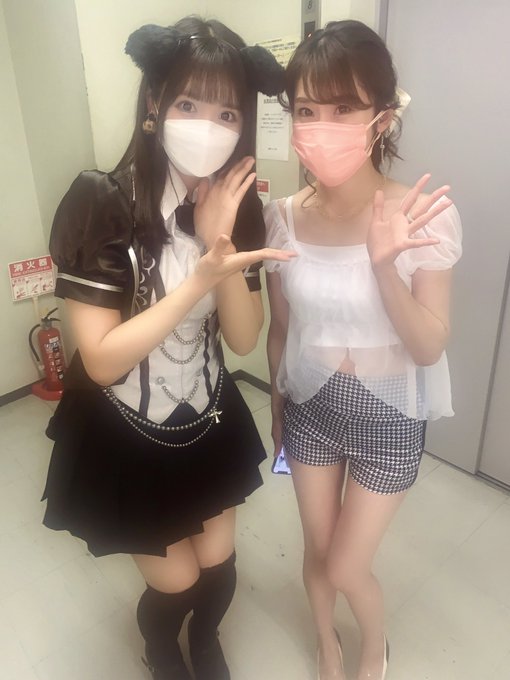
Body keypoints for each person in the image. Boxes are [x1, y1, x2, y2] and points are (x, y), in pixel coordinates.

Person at [42, 16, 292, 680]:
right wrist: (199, 280)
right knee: (177, 578)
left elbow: (243, 337)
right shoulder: (103, 202)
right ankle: (161, 648)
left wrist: (220, 243)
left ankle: (205, 641)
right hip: (123, 426)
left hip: (205, 413)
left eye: (227, 113)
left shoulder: (239, 205)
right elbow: (102, 360)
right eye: (188, 104)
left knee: (219, 564)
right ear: (154, 103)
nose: (207, 126)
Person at [265, 20, 462, 680]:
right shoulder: (283, 217)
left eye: (343, 108)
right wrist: (277, 409)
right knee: (317, 553)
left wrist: (384, 268)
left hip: (390, 418)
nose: (321, 126)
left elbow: (428, 346)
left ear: (382, 117)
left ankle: (373, 644)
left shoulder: (423, 215)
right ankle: (327, 643)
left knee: (349, 566)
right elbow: (281, 328)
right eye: (306, 110)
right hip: (310, 410)